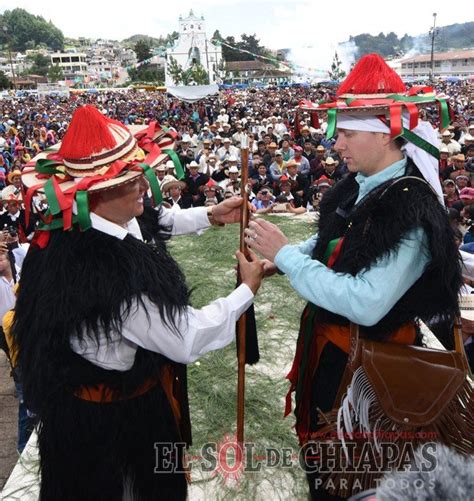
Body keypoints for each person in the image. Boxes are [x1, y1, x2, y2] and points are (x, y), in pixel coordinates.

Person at [13, 105, 264, 500]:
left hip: (123, 396)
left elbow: (151, 222)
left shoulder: (88, 219)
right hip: (103, 420)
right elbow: (185, 337)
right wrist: (245, 291)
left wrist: (211, 215)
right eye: (133, 180)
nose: (145, 186)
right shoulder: (106, 275)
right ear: (98, 192)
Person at [244, 54, 463, 499]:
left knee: (355, 479)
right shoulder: (357, 183)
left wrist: (287, 255)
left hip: (368, 375)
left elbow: (366, 301)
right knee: (324, 473)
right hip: (334, 358)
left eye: (346, 133)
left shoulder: (411, 212)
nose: (335, 144)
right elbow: (331, 240)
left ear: (384, 135)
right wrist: (280, 260)